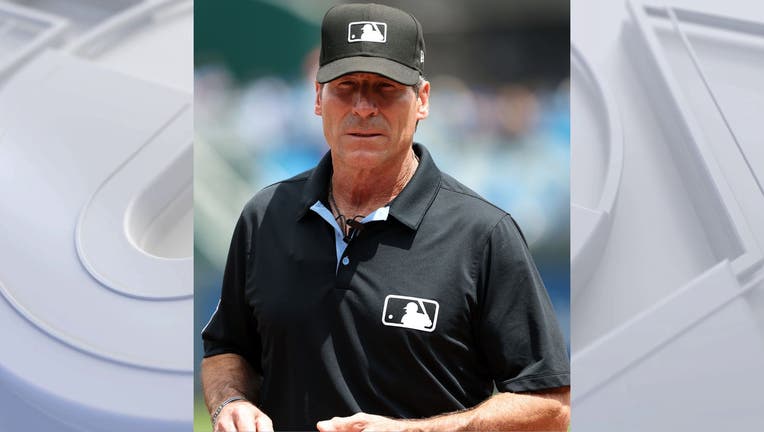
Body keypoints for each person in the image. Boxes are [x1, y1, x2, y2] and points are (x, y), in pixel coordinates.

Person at [202, 3, 570, 431]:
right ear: (318, 98)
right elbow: (226, 349)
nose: (363, 107)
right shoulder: (264, 216)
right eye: (346, 86)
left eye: (385, 88)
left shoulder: (482, 233)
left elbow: (551, 408)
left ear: (422, 100)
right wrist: (229, 401)